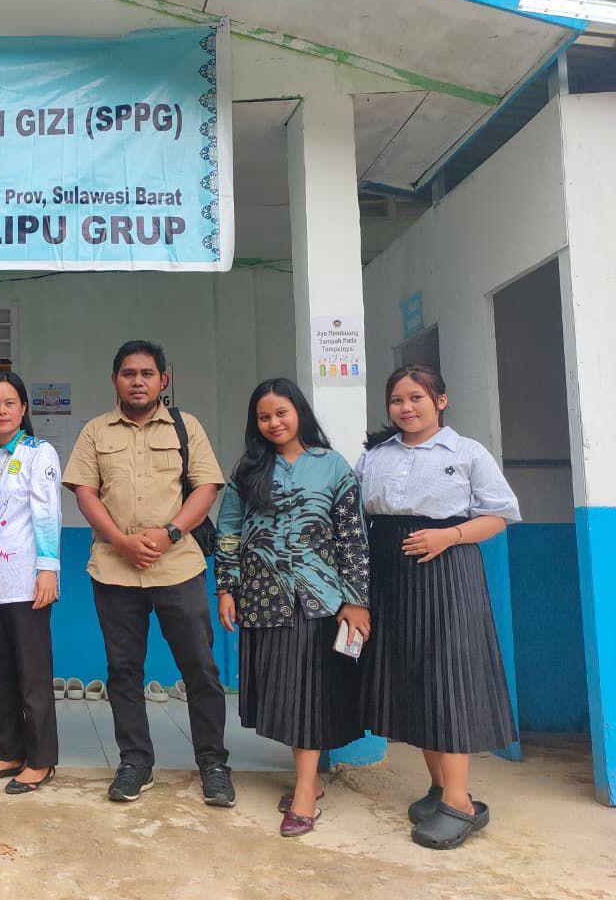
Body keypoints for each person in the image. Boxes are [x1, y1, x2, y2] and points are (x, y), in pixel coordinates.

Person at [357, 364, 520, 850]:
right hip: (390, 576)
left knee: (447, 676)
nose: (406, 408)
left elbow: (499, 515)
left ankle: (459, 803)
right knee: (413, 678)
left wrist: (449, 536)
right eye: (397, 400)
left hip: (447, 572)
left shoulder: (467, 453)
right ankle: (438, 788)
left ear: (440, 401)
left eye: (416, 398)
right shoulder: (375, 456)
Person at [63, 339, 233, 806]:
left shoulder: (186, 426)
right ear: (114, 380)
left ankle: (213, 764)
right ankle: (135, 763)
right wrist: (121, 541)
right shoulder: (95, 431)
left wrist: (170, 533)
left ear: (163, 380)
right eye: (128, 374)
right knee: (123, 672)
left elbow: (207, 487)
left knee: (200, 669)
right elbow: (85, 491)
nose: (137, 382)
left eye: (146, 374)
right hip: (115, 571)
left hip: (178, 567)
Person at [214, 378, 371, 837]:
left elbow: (353, 537)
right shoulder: (248, 469)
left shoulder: (333, 466)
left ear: (299, 412)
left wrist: (356, 600)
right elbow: (228, 531)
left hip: (319, 599)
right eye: (264, 417)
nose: (273, 422)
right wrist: (227, 588)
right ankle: (310, 781)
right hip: (264, 598)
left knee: (310, 693)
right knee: (285, 693)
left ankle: (304, 794)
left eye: (281, 412)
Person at [0, 371, 61, 795]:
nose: (1, 410)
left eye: (9, 403)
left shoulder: (39, 453)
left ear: (23, 409)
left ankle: (40, 761)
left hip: (26, 583)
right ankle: (8, 753)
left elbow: (47, 513)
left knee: (32, 676)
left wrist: (48, 569)